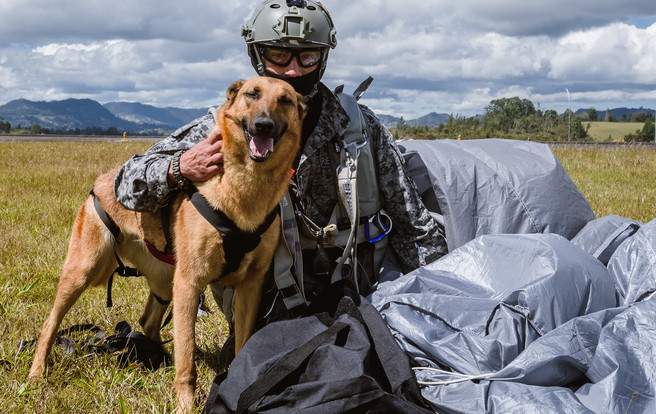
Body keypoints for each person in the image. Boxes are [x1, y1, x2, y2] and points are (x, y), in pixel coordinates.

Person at [114, 0, 447, 330]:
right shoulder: (225, 124)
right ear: (258, 55)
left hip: (357, 290)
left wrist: (438, 298)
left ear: (323, 57)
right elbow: (126, 186)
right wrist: (179, 168)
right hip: (266, 300)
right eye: (278, 55)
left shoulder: (356, 125)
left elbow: (412, 222)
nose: (293, 69)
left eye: (308, 56)